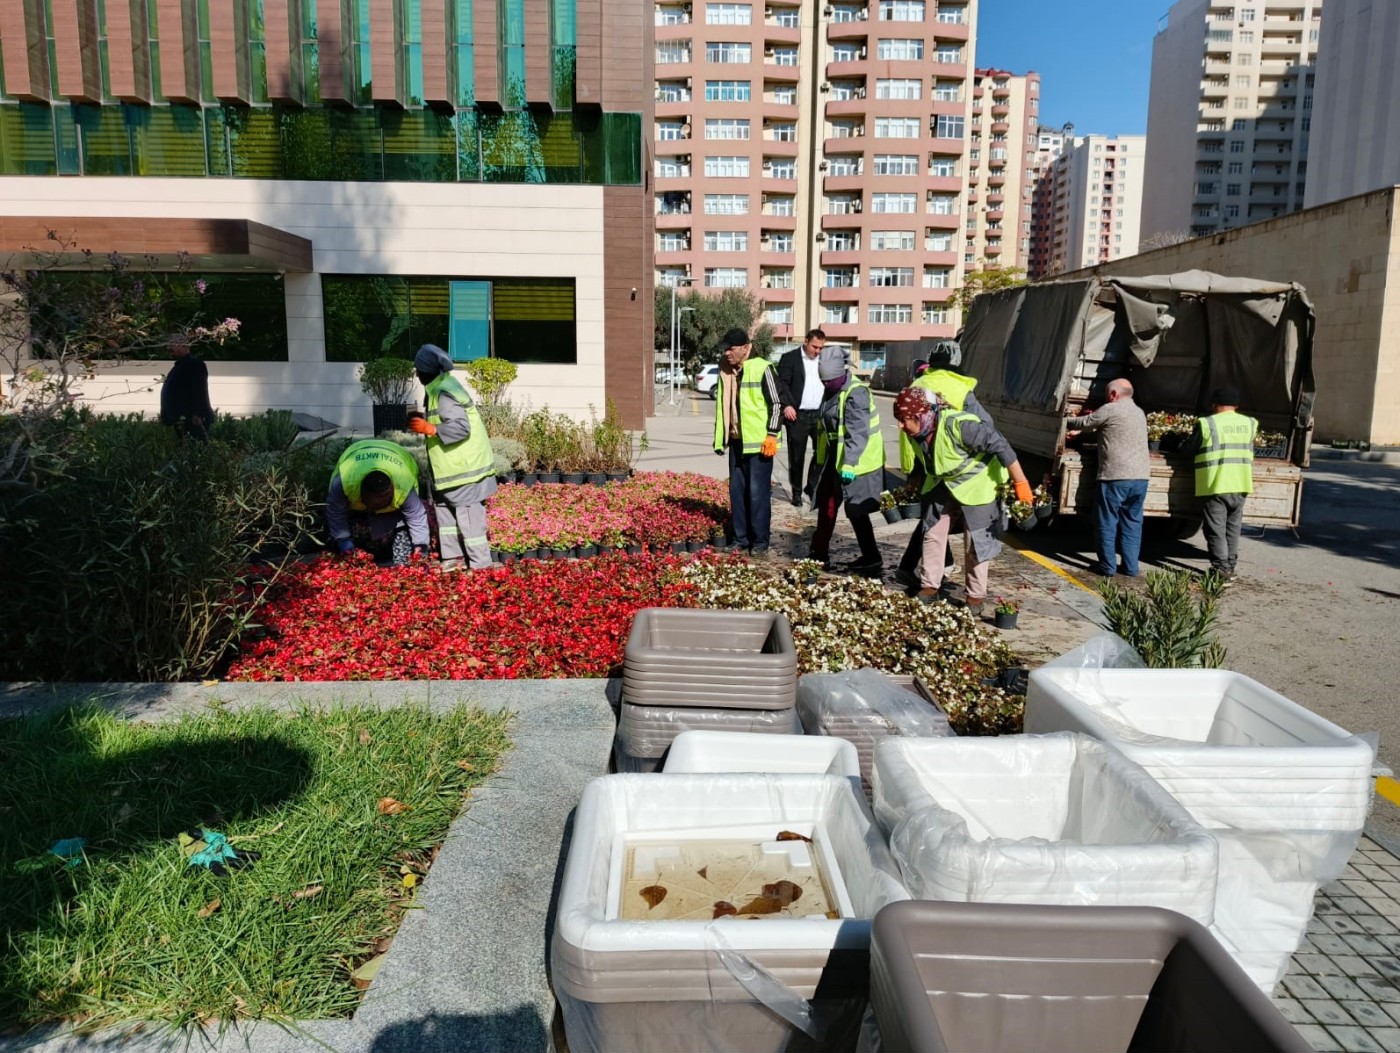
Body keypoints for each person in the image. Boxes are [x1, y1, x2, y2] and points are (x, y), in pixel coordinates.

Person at [891, 386, 1034, 617]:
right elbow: (924, 459)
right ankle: (930, 586)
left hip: (978, 483)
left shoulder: (961, 427)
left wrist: (1021, 484)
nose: (900, 426)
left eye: (904, 420)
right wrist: (913, 483)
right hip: (943, 483)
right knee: (932, 532)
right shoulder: (918, 431)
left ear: (921, 416)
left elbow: (1001, 445)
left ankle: (975, 596)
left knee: (975, 541)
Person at [892, 345, 995, 591]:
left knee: (933, 526)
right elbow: (987, 427)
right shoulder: (961, 388)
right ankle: (968, 591)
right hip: (962, 469)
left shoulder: (914, 386)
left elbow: (908, 425)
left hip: (926, 465)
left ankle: (925, 577)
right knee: (961, 532)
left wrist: (914, 476)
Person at [406, 344, 498, 572]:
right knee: (444, 512)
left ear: (427, 371)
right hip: (448, 471)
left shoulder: (444, 392)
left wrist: (431, 428)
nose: (416, 375)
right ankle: (453, 558)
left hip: (464, 471)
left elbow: (460, 428)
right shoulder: (437, 388)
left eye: (418, 370)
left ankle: (481, 565)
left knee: (468, 517)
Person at [807, 346, 883, 576]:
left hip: (857, 462)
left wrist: (849, 464)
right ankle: (819, 554)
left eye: (829, 380)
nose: (825, 384)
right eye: (822, 380)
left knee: (857, 511)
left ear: (842, 375)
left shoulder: (856, 393)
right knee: (827, 506)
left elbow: (857, 432)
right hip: (834, 459)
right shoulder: (832, 390)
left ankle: (872, 558)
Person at [1065, 378, 1151, 577]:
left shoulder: (1111, 409)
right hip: (1140, 478)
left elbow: (1085, 423)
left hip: (1115, 477)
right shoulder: (1139, 412)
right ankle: (1130, 568)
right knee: (1132, 523)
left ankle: (1107, 566)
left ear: (1113, 394)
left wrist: (1065, 420)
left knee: (1107, 521)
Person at [713, 327, 782, 556]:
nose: (726, 353)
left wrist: (772, 435)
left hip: (760, 445)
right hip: (736, 442)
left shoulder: (763, 368)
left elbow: (776, 404)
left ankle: (760, 542)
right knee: (737, 492)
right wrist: (721, 439)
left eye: (730, 349)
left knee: (757, 494)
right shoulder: (726, 371)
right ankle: (741, 539)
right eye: (724, 350)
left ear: (745, 348)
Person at [1185, 385, 1257, 582]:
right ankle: (1230, 566)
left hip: (1216, 483)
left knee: (1215, 529)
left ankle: (1221, 570)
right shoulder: (1250, 423)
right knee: (1233, 528)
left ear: (1215, 404)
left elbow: (1190, 450)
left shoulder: (1208, 423)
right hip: (1241, 482)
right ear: (1236, 405)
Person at [326, 439, 431, 566]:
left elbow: (416, 517)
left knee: (403, 529)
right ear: (362, 494)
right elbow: (335, 511)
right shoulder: (345, 481)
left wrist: (421, 549)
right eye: (373, 505)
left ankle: (402, 562)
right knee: (342, 534)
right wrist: (343, 541)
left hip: (396, 455)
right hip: (357, 452)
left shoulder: (404, 486)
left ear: (390, 491)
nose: (377, 509)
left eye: (383, 503)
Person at [775, 328, 827, 508]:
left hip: (820, 415)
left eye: (821, 348)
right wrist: (787, 405)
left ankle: (811, 487)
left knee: (823, 453)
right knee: (797, 456)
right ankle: (796, 492)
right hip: (798, 415)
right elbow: (782, 384)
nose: (817, 351)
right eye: (815, 347)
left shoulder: (824, 359)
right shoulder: (790, 359)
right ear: (806, 341)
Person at [160, 340, 214, 440]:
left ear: (183, 345)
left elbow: (199, 390)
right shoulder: (179, 366)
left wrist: (198, 414)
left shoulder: (195, 364)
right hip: (180, 419)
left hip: (191, 419)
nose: (168, 348)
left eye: (172, 344)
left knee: (195, 449)